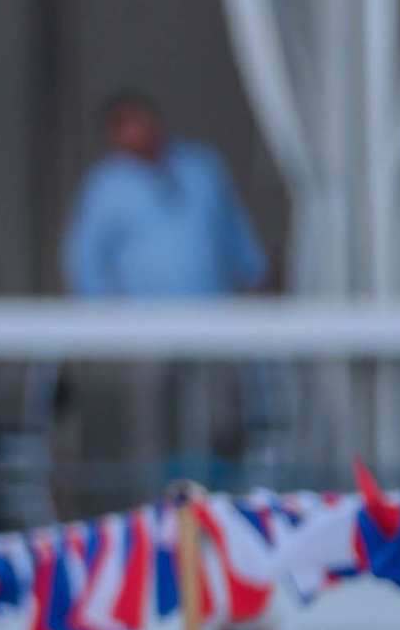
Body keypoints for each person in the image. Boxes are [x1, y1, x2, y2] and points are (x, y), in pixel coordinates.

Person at [61, 91, 267, 486]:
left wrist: (254, 275)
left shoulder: (202, 167)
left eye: (139, 120)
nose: (135, 132)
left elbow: (233, 229)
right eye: (124, 126)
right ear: (113, 136)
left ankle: (221, 502)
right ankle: (154, 508)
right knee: (150, 424)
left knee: (224, 419)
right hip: (146, 324)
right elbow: (84, 256)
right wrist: (104, 313)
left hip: (214, 316)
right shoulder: (106, 185)